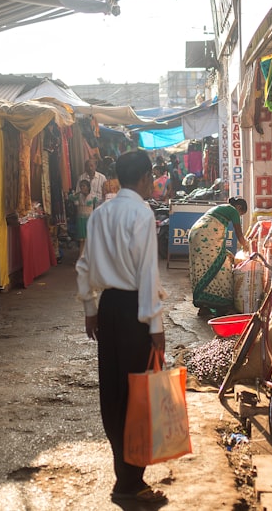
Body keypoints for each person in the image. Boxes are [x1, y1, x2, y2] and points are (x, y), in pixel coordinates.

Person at [76, 150, 169, 506]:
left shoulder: (101, 214)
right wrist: (155, 323)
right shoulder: (141, 213)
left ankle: (125, 475)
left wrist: (90, 309)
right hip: (134, 311)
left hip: (109, 308)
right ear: (145, 177)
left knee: (113, 393)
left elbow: (83, 265)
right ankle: (131, 480)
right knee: (139, 393)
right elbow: (148, 273)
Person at [188, 197, 248, 318]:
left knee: (205, 268)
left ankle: (204, 306)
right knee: (223, 268)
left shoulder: (221, 208)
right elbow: (239, 234)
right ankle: (224, 305)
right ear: (239, 208)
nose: (239, 216)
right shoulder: (233, 210)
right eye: (241, 214)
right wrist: (247, 247)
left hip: (195, 235)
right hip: (205, 237)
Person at [68, 179, 99, 257]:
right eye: (81, 186)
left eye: (84, 186)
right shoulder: (78, 196)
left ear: (88, 187)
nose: (82, 188)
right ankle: (81, 257)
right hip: (81, 220)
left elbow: (98, 206)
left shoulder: (93, 197)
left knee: (90, 239)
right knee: (82, 240)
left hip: (89, 219)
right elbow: (70, 197)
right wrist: (76, 193)